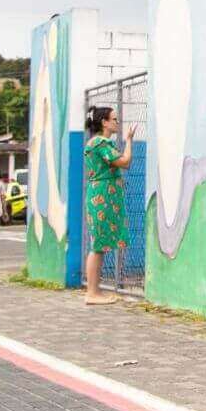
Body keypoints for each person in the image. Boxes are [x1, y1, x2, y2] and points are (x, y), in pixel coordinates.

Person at [84, 107, 135, 302]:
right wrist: (129, 140)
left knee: (100, 244)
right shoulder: (100, 143)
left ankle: (94, 290)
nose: (117, 122)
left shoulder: (98, 143)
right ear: (104, 122)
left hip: (103, 194)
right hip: (103, 196)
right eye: (114, 119)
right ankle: (92, 292)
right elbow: (125, 161)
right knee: (97, 245)